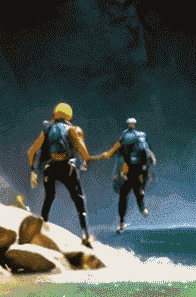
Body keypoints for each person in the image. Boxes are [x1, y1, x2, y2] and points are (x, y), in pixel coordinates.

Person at [26, 102, 95, 245]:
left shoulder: (47, 130)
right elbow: (85, 154)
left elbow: (32, 152)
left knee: (49, 198)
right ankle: (85, 236)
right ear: (68, 115)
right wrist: (84, 162)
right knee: (79, 200)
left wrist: (33, 171)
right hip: (67, 169)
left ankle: (41, 229)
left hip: (50, 169)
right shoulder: (72, 130)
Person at [98, 117, 156, 233]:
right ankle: (142, 207)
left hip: (127, 172)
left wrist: (106, 156)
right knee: (139, 190)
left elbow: (115, 158)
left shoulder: (123, 139)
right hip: (139, 171)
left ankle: (122, 222)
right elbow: (149, 155)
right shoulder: (141, 137)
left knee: (123, 196)